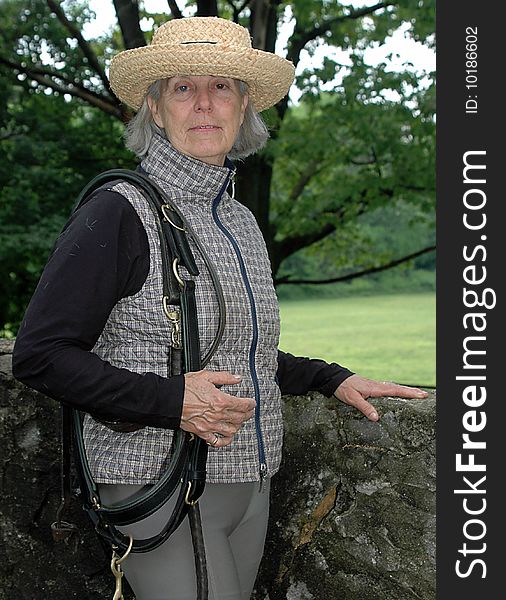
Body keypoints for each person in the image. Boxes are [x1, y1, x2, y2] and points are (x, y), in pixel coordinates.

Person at [12, 16, 428, 600]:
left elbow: (239, 353)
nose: (204, 103)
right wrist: (172, 399)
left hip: (249, 486)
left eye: (223, 86)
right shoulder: (119, 211)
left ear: (244, 106)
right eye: (183, 87)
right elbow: (39, 355)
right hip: (160, 483)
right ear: (155, 109)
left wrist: (332, 378)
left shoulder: (237, 219)